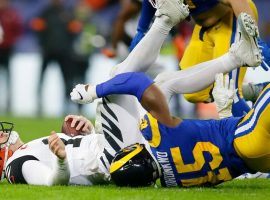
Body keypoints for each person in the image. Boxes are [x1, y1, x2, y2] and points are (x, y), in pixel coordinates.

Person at [70, 0, 270, 187]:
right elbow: (137, 81)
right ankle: (238, 61)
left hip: (250, 162)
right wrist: (96, 90)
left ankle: (248, 86)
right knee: (176, 84)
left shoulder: (169, 182)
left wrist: (141, 31)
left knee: (204, 92)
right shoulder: (155, 134)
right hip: (247, 136)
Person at [129, 0, 270, 118]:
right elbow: (149, 1)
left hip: (231, 18)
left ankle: (255, 137)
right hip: (204, 28)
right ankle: (253, 91)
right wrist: (141, 30)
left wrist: (254, 38)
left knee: (230, 94)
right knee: (191, 90)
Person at [1, 115, 111, 185]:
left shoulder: (25, 149)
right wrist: (61, 160)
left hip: (104, 145)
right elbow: (51, 181)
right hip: (105, 158)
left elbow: (76, 152)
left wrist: (89, 132)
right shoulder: (14, 164)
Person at [0, 0, 23, 114]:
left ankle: (8, 103)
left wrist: (9, 41)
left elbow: (18, 30)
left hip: (6, 50)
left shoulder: (11, 14)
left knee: (7, 77)